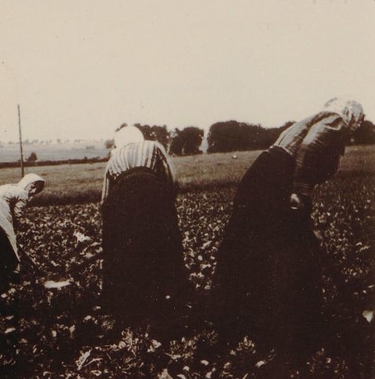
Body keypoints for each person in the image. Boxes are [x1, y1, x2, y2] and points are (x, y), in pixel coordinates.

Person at [212, 98, 365, 358]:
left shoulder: (309, 121)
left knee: (249, 247)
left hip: (262, 179)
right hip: (277, 183)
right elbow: (310, 146)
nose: (354, 128)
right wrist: (300, 191)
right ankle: (296, 332)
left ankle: (237, 323)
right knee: (291, 254)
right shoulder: (335, 121)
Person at [101, 125, 190, 334]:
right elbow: (170, 179)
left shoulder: (112, 160)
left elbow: (105, 200)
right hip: (152, 192)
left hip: (119, 201)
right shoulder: (153, 147)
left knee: (125, 255)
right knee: (167, 248)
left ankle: (126, 309)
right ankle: (172, 300)